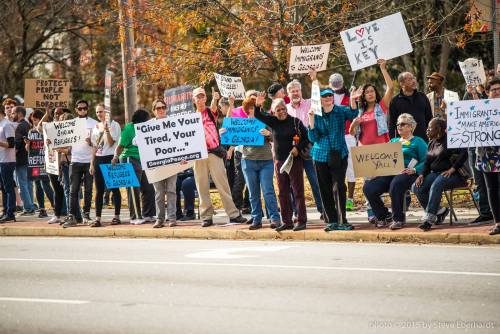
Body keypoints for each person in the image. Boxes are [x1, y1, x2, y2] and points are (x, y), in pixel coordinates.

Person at [192, 87, 247, 227]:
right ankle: (206, 216)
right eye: (197, 97)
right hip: (198, 156)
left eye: (202, 96)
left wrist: (215, 98)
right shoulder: (189, 119)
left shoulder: (211, 113)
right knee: (202, 186)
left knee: (223, 184)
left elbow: (214, 108)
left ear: (205, 98)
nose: (199, 99)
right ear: (193, 99)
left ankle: (233, 214)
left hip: (214, 153)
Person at [224, 96, 281, 230]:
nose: (252, 110)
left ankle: (275, 218)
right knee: (253, 192)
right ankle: (256, 219)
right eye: (249, 108)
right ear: (246, 110)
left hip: (265, 161)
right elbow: (233, 139)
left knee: (268, 190)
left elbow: (278, 136)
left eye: (254, 107)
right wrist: (225, 133)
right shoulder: (243, 124)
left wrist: (269, 134)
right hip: (248, 161)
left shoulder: (266, 120)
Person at [363, 113, 427, 230]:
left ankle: (398, 219)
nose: (399, 126)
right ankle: (383, 215)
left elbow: (427, 160)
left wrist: (414, 169)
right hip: (390, 173)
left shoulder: (418, 141)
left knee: (395, 184)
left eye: (402, 124)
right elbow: (382, 159)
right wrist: (375, 172)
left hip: (408, 174)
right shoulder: (393, 141)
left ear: (411, 126)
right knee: (369, 187)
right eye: (398, 124)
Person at [349, 59, 394, 223]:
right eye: (367, 92)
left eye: (372, 91)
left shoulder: (381, 107)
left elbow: (390, 87)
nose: (370, 93)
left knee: (379, 184)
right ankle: (374, 214)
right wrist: (354, 123)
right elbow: (352, 132)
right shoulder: (360, 111)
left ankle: (384, 213)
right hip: (365, 153)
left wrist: (383, 68)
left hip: (382, 152)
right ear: (363, 95)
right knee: (368, 185)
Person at [255, 95, 308, 231]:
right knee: (283, 192)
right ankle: (287, 221)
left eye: (283, 108)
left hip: (294, 160)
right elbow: (258, 115)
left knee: (297, 191)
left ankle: (301, 220)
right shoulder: (273, 122)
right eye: (278, 110)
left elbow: (306, 137)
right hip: (279, 161)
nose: (282, 111)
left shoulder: (295, 122)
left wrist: (297, 148)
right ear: (274, 112)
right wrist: (257, 104)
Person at [308, 87, 358, 232]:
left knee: (339, 187)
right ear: (320, 100)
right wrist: (311, 119)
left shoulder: (341, 110)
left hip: (339, 153)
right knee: (325, 189)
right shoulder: (316, 114)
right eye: (325, 96)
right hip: (320, 155)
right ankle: (331, 221)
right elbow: (313, 138)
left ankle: (343, 220)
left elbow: (353, 113)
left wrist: (353, 100)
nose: (328, 98)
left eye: (330, 95)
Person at [413, 118, 468, 231]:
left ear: (439, 129)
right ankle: (440, 211)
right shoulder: (432, 143)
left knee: (436, 184)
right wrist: (422, 175)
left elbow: (464, 154)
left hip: (455, 175)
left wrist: (452, 169)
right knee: (417, 187)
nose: (427, 130)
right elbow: (427, 163)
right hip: (437, 174)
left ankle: (428, 220)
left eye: (430, 127)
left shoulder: (451, 139)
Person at [286, 78, 323, 217]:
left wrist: (314, 79)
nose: (295, 93)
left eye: (297, 90)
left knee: (316, 180)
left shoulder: (309, 104)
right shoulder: (285, 108)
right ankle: (297, 212)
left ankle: (322, 209)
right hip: (292, 149)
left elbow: (318, 97)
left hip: (309, 147)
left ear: (301, 91)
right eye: (292, 91)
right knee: (294, 183)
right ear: (288, 93)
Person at [112, 109, 156, 224]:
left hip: (143, 160)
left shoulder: (148, 128)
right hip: (129, 159)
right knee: (133, 189)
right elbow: (120, 146)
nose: (148, 121)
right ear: (140, 121)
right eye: (146, 119)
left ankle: (148, 214)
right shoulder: (129, 129)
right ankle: (135, 217)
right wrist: (115, 157)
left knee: (149, 187)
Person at [62, 100, 98, 228]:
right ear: (76, 110)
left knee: (88, 190)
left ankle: (86, 214)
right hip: (75, 160)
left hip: (89, 161)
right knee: (73, 190)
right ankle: (72, 216)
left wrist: (90, 142)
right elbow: (66, 144)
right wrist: (55, 146)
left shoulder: (94, 123)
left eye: (85, 108)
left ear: (88, 109)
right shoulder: (72, 124)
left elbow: (98, 144)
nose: (83, 110)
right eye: (80, 108)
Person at [463, 84, 493, 225]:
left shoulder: (491, 101)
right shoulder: (468, 95)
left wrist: (478, 94)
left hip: (493, 150)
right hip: (474, 148)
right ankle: (485, 212)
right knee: (479, 181)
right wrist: (471, 94)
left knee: (493, 183)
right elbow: (464, 113)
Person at [89, 103, 122, 227]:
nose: (99, 114)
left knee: (114, 188)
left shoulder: (115, 125)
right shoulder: (96, 126)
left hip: (110, 158)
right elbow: (94, 146)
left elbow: (112, 142)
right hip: (98, 158)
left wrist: (107, 131)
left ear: (106, 112)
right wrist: (92, 163)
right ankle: (97, 218)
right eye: (97, 112)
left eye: (101, 111)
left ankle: (116, 216)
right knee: (99, 190)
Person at [329, 72, 356, 211]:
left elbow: (354, 113)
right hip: (333, 137)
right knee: (335, 169)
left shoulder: (349, 96)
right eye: (334, 85)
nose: (336, 87)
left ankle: (350, 199)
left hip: (348, 136)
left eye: (338, 84)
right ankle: (338, 198)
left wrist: (353, 97)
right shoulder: (327, 97)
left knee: (351, 168)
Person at [476, 77, 500, 235]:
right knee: (491, 189)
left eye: (499, 89)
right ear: (487, 92)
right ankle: (498, 222)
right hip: (486, 154)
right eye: (494, 90)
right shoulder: (478, 107)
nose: (497, 92)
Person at [150, 99, 178, 228]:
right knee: (159, 193)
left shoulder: (174, 122)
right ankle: (160, 219)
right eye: (158, 108)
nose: (161, 110)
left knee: (171, 191)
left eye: (163, 107)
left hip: (172, 163)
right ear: (154, 110)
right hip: (156, 165)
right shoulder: (148, 125)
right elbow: (135, 141)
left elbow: (182, 140)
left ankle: (172, 218)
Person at [25, 109, 54, 218]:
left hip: (44, 162)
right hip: (34, 162)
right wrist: (27, 145)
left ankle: (55, 205)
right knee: (37, 185)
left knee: (45, 184)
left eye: (36, 120)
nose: (34, 123)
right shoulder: (30, 132)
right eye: (33, 121)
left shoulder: (46, 130)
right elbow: (28, 149)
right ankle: (42, 209)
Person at [389, 72, 433, 141]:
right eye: (410, 79)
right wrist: (392, 143)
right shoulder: (395, 101)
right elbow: (392, 125)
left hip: (423, 141)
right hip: (404, 144)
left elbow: (429, 119)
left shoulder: (423, 97)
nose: (413, 81)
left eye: (413, 78)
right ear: (402, 84)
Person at [13, 106, 36, 215]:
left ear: (19, 114)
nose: (12, 115)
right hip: (28, 158)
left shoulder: (19, 126)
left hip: (20, 160)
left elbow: (16, 144)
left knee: (22, 184)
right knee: (28, 184)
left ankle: (28, 208)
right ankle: (30, 206)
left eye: (13, 113)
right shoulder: (27, 125)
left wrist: (11, 156)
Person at [0, 104, 17, 222]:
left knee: (8, 187)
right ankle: (6, 211)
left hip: (8, 161)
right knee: (3, 187)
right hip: (2, 160)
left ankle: (11, 213)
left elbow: (11, 144)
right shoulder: (1, 124)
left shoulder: (7, 125)